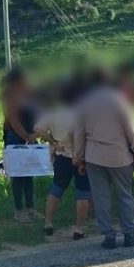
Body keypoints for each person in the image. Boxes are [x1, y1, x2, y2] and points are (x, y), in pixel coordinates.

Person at [73, 69, 134, 249]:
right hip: (119, 156)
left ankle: (109, 237)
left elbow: (79, 133)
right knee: (124, 196)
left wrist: (79, 158)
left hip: (94, 157)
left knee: (101, 198)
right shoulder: (120, 100)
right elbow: (132, 129)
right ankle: (129, 234)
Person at [35, 82, 90, 240]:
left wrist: (52, 141)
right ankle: (79, 228)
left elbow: (38, 128)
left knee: (57, 188)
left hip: (61, 153)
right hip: (80, 156)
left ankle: (48, 222)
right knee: (83, 193)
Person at [1, 67, 39, 223]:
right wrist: (27, 137)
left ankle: (31, 209)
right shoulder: (10, 97)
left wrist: (35, 135)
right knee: (18, 176)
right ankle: (19, 210)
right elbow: (14, 122)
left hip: (29, 136)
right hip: (15, 138)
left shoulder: (29, 95)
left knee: (28, 175)